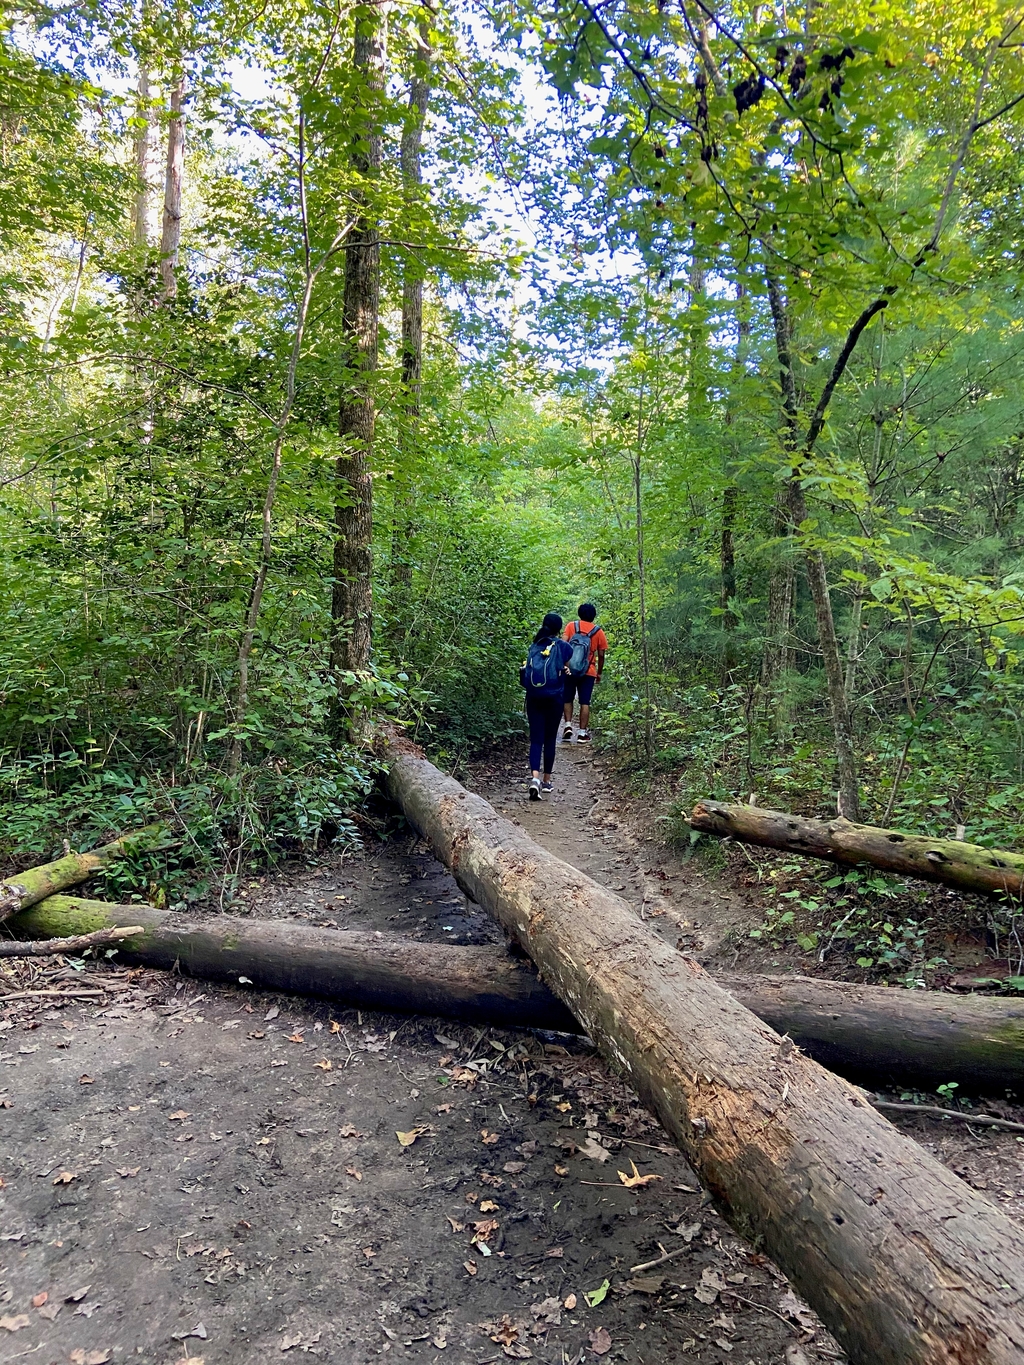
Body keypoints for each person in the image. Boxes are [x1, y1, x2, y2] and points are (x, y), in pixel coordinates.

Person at [520, 612, 572, 800]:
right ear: (559, 628)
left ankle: (534, 778)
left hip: (534, 696)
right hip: (554, 698)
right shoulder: (563, 646)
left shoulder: (534, 645)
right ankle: (547, 781)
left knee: (535, 739)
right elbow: (565, 666)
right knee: (550, 739)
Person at [562, 603, 607, 743]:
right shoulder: (598, 631)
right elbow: (601, 654)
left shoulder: (571, 626)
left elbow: (563, 646)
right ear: (593, 615)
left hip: (569, 669)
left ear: (579, 613)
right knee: (584, 701)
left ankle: (568, 725)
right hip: (589, 671)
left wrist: (564, 666)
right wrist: (599, 673)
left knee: (567, 698)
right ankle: (582, 733)